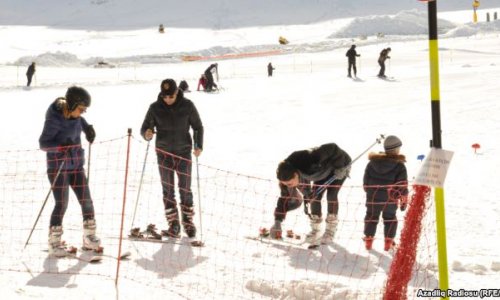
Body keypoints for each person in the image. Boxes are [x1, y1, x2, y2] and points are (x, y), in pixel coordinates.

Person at [39, 86, 100, 257]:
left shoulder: (76, 116)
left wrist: (88, 130)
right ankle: (54, 242)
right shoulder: (54, 118)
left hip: (76, 165)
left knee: (86, 200)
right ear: (72, 105)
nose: (83, 113)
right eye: (81, 109)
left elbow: (81, 123)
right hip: (58, 168)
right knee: (62, 203)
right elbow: (43, 143)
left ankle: (89, 237)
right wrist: (59, 148)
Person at [140, 79, 204, 238]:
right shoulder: (154, 108)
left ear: (176, 92)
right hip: (164, 154)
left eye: (170, 96)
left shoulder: (188, 106)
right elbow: (144, 128)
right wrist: (147, 134)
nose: (167, 100)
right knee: (168, 189)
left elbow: (198, 127)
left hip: (183, 153)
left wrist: (198, 145)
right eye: (164, 97)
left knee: (185, 189)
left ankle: (188, 222)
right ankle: (173, 223)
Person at [271, 143, 352, 245]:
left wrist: (339, 167)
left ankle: (330, 230)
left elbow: (333, 147)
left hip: (339, 166)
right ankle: (316, 230)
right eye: (286, 184)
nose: (289, 186)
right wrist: (277, 222)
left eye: (290, 183)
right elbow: (284, 197)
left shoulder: (310, 160)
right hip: (321, 172)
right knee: (314, 196)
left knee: (331, 194)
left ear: (296, 175)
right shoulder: (286, 174)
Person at [362, 135, 408, 251]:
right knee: (390, 219)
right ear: (396, 149)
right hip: (390, 199)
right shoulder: (399, 166)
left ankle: (368, 240)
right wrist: (403, 200)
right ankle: (388, 242)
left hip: (373, 198)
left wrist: (370, 192)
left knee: (371, 217)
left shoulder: (372, 163)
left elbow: (365, 182)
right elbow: (402, 186)